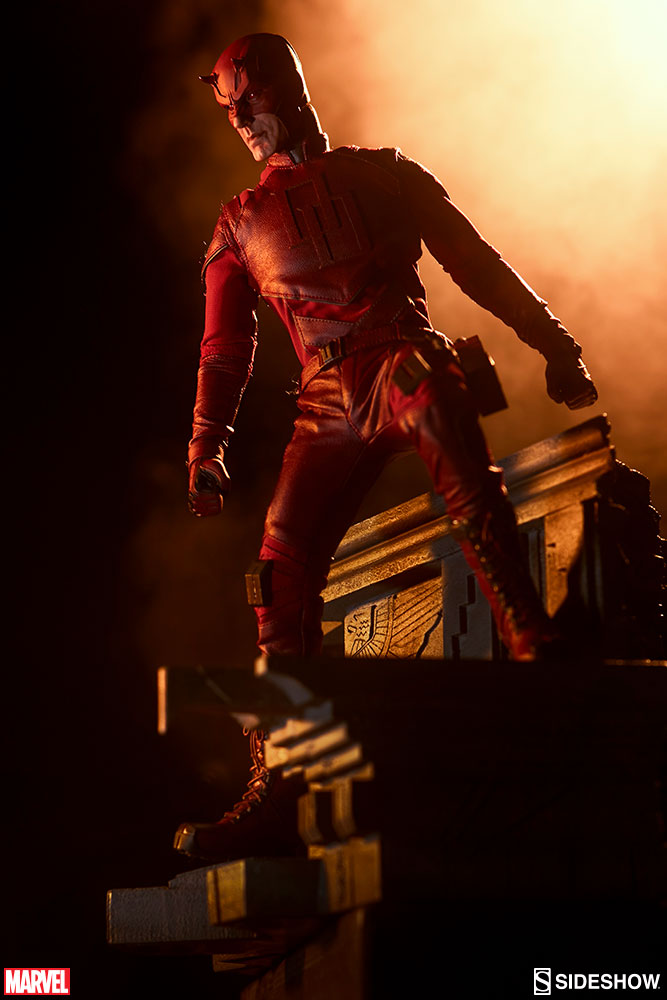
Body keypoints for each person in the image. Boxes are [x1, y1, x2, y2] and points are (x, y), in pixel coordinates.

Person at [174, 32, 597, 861]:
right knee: (276, 573)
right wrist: (205, 443)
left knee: (436, 411)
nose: (243, 119)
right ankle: (283, 774)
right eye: (231, 109)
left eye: (252, 99)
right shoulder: (237, 224)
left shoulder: (387, 174)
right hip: (324, 401)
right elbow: (223, 349)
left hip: (401, 356)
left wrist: (553, 343)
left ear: (289, 89)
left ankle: (524, 632)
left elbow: (475, 263)